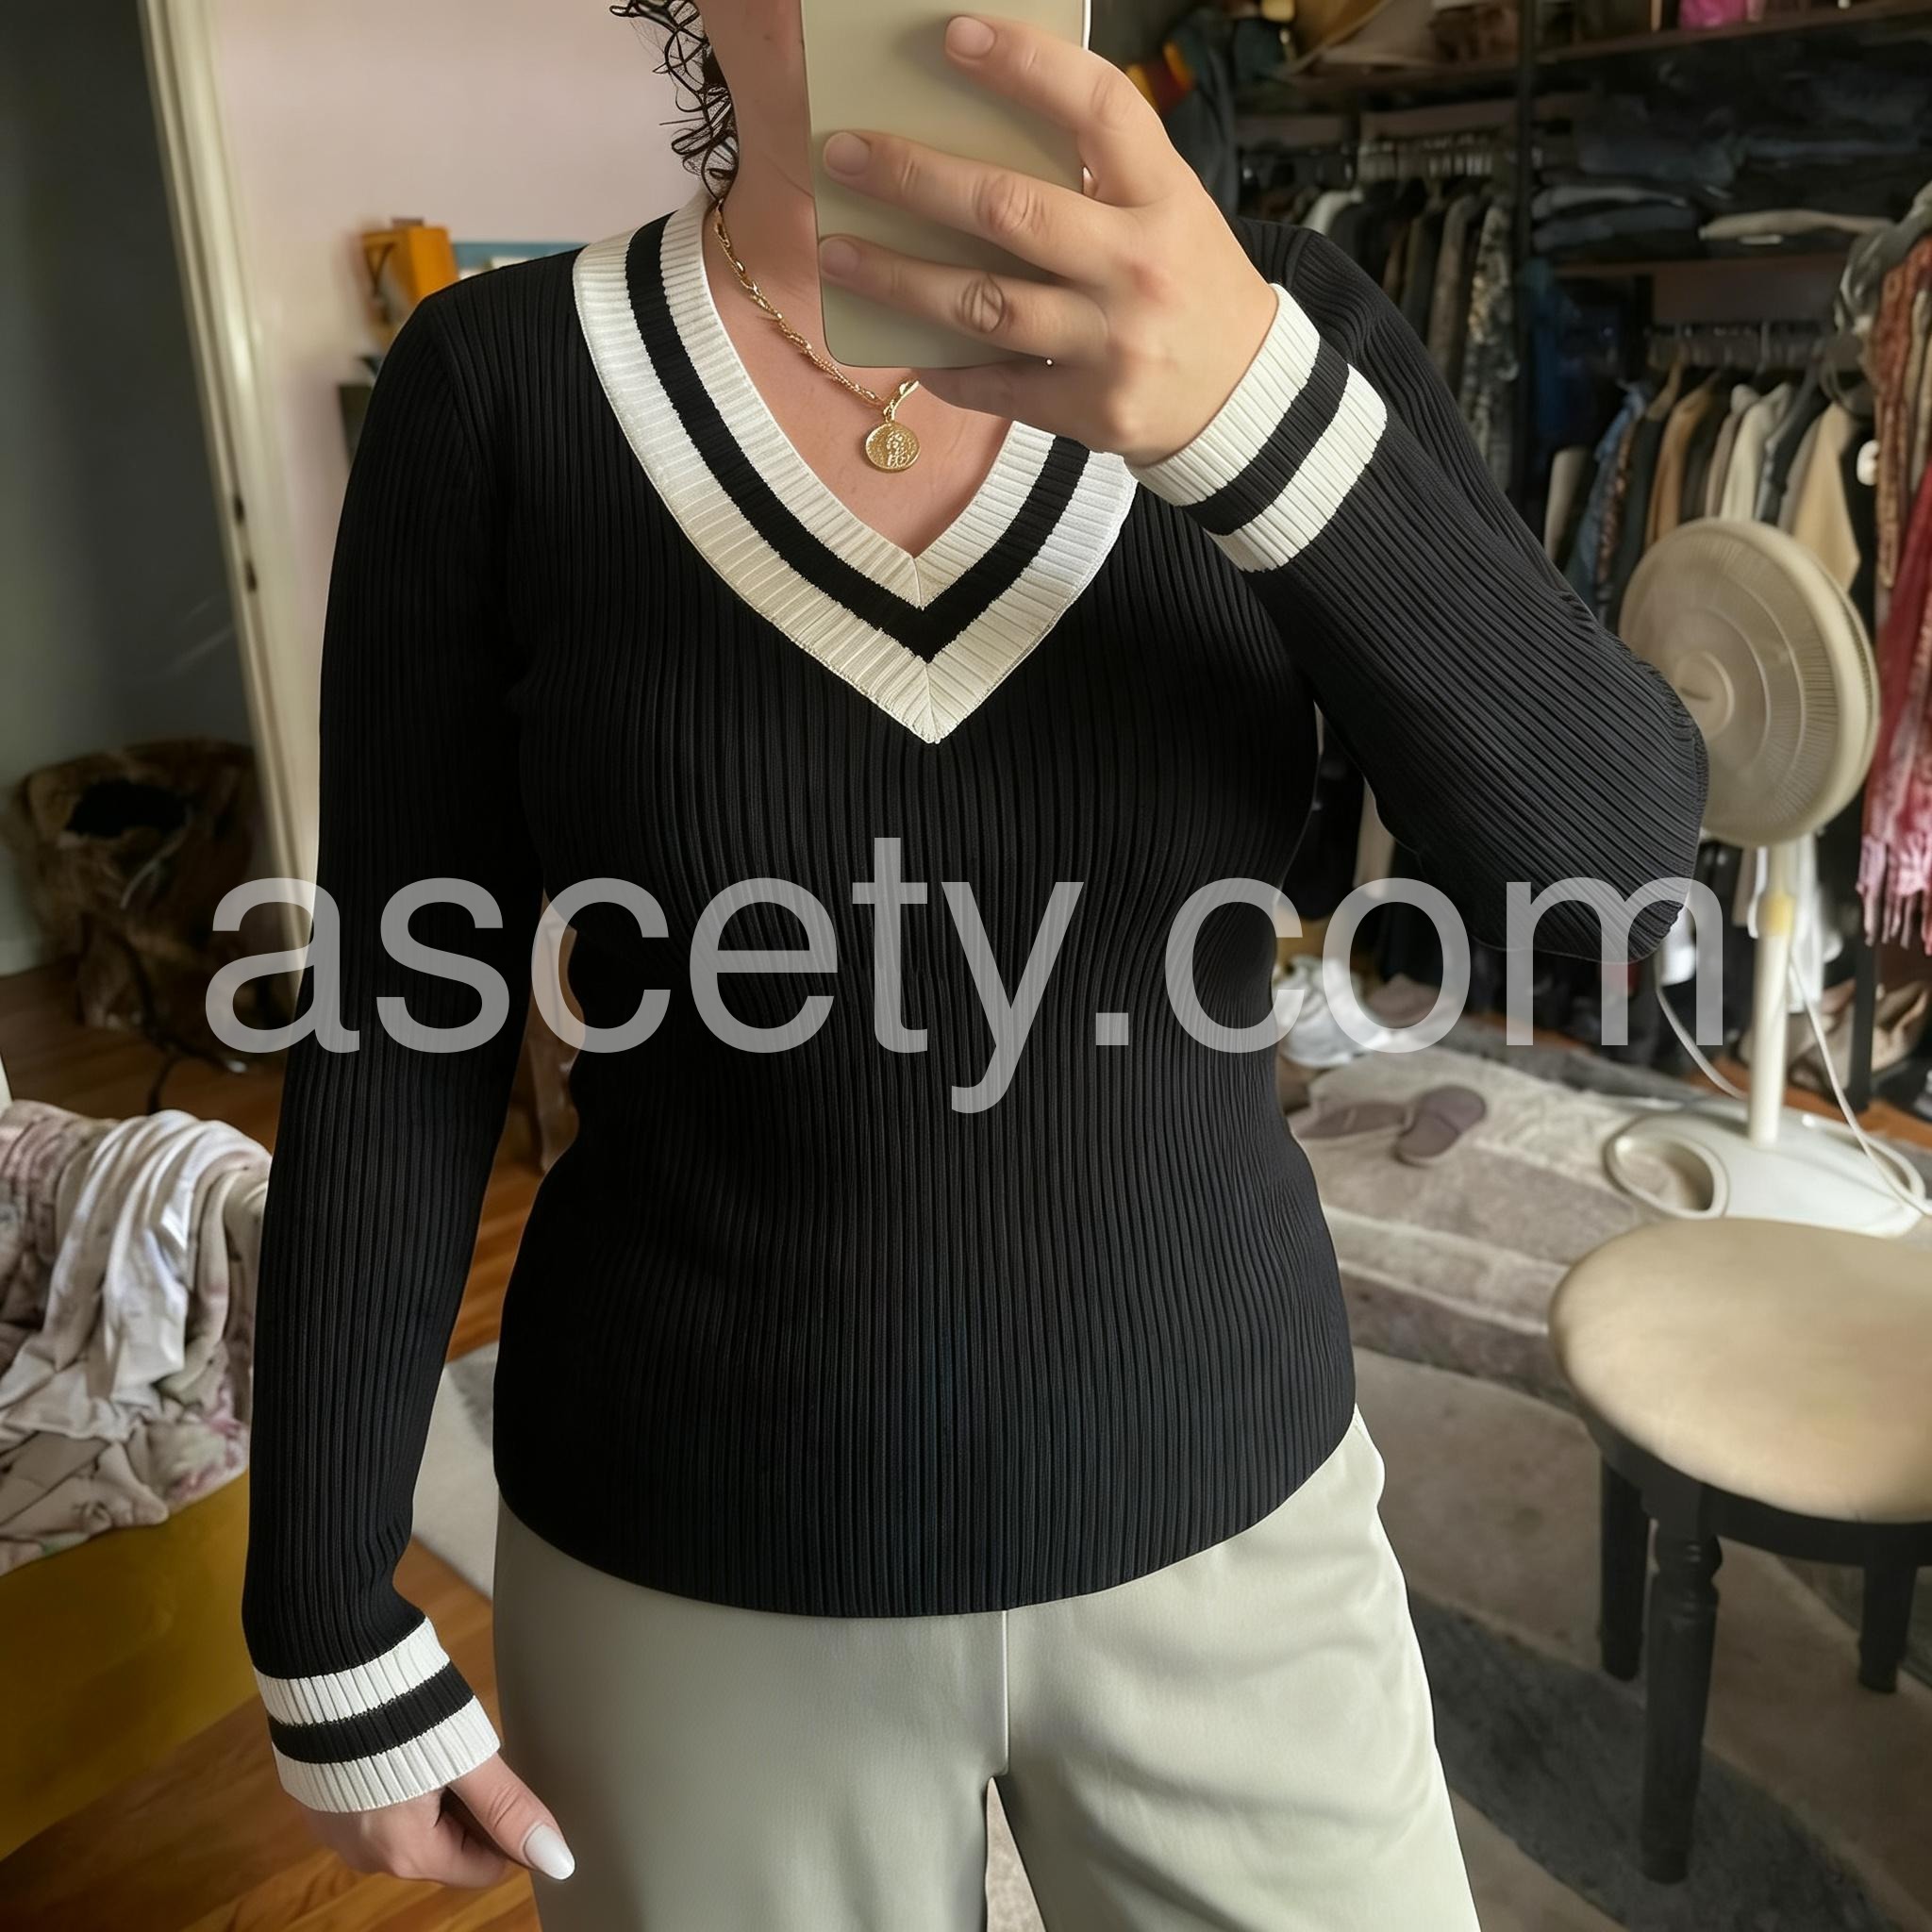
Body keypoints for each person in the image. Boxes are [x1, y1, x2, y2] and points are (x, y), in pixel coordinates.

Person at [240, 5, 1708, 1926]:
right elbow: (400, 1013)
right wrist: (324, 1608)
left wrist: (1249, 424)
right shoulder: (499, 387)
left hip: (1229, 1491)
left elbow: (1606, 886)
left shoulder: (1284, 325)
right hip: (696, 1547)